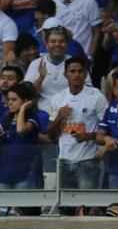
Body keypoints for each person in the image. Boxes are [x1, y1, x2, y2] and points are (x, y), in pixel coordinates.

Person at [44, 56, 108, 190]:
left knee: (86, 205)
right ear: (65, 74)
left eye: (80, 71)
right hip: (64, 160)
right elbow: (50, 135)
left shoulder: (96, 96)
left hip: (88, 160)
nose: (76, 75)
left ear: (85, 74)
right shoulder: (58, 98)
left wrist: (88, 136)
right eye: (72, 71)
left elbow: (108, 129)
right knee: (65, 208)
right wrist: (59, 117)